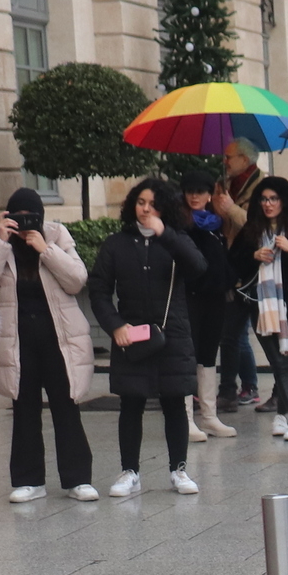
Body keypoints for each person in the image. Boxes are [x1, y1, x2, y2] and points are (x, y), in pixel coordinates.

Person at [86, 173, 207, 496]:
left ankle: (178, 469)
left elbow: (198, 267)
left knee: (174, 402)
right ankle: (130, 471)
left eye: (153, 205)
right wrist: (115, 325)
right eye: (140, 202)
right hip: (132, 334)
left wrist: (165, 234)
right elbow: (98, 289)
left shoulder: (176, 237)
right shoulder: (117, 243)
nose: (145, 209)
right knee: (131, 402)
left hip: (173, 333)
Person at [0, 186, 96, 501]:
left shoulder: (57, 236)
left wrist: (46, 249)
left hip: (59, 340)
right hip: (17, 342)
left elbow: (76, 279)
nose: (26, 222)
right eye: (19, 216)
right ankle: (29, 482)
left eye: (32, 216)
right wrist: (1, 242)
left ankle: (78, 479)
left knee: (66, 407)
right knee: (23, 409)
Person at [231, 175, 288, 441]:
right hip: (260, 305)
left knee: (283, 360)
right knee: (279, 361)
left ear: (284, 201)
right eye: (264, 199)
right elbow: (232, 264)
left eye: (274, 199)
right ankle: (284, 416)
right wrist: (252, 256)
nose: (268, 204)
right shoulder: (250, 232)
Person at [177, 171, 236, 441]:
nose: (195, 196)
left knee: (209, 354)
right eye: (190, 191)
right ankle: (186, 418)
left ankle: (209, 417)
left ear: (209, 194)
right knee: (190, 352)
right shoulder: (179, 224)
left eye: (200, 191)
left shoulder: (217, 224)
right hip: (190, 294)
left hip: (215, 295)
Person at [209, 141, 266, 411]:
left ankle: (258, 387)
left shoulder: (263, 186)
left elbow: (258, 225)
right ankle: (229, 390)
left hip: (256, 270)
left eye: (229, 156)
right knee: (230, 334)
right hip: (231, 267)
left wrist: (230, 208)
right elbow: (226, 228)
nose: (225, 161)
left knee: (263, 334)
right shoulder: (226, 185)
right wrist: (218, 212)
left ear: (245, 158)